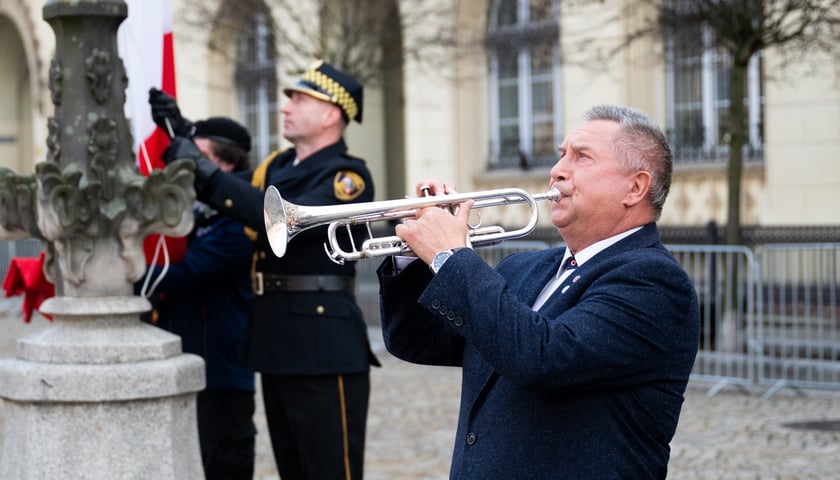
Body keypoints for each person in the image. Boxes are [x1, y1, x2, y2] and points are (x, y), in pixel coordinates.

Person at [377, 104, 700, 479]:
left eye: (582, 156)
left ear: (635, 187)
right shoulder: (522, 268)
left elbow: (542, 357)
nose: (557, 169)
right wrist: (414, 254)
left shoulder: (655, 282)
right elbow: (417, 340)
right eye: (562, 154)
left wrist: (450, 256)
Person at [150, 61, 379, 480]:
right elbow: (235, 190)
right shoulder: (277, 166)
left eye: (300, 99)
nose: (285, 107)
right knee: (293, 470)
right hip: (276, 338)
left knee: (330, 471)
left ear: (331, 115)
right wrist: (181, 132)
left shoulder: (347, 177)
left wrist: (202, 167)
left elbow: (276, 216)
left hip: (322, 343)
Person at [140, 116, 256, 479]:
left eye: (199, 157)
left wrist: (126, 272)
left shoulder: (235, 222)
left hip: (221, 371)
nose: (187, 164)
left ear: (225, 164)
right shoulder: (203, 211)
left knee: (221, 461)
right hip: (192, 357)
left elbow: (186, 274)